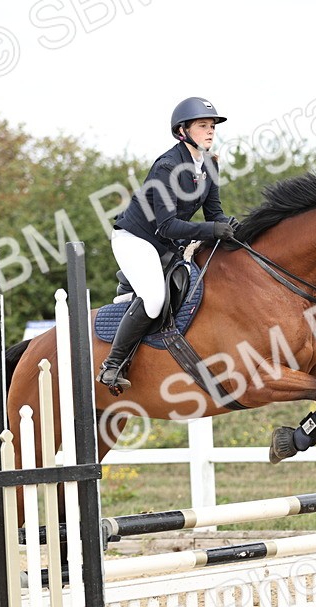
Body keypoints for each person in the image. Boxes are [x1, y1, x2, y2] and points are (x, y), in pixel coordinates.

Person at [98, 96, 239, 392]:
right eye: (203, 126)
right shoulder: (167, 167)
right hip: (135, 239)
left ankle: (130, 283)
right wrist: (213, 229)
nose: (211, 131)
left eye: (213, 126)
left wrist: (232, 227)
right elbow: (168, 225)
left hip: (164, 245)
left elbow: (215, 214)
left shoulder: (210, 166)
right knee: (154, 300)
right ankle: (112, 365)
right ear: (182, 131)